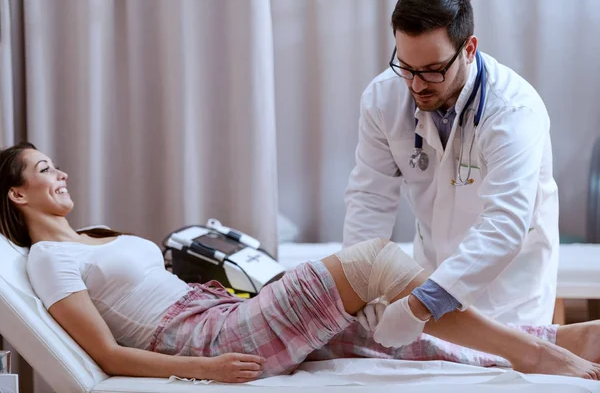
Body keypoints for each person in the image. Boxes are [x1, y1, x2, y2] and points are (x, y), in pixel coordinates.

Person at [1, 142, 599, 384]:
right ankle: (539, 354)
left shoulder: (91, 236)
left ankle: (569, 338)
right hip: (206, 340)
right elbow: (104, 355)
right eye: (45, 169)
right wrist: (204, 374)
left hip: (226, 312)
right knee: (372, 263)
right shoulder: (51, 259)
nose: (61, 173)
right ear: (16, 194)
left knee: (394, 334)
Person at [343, 0, 559, 339]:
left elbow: (505, 222)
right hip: (429, 273)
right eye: (406, 67)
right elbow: (370, 199)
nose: (416, 85)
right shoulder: (383, 100)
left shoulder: (514, 111)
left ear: (469, 49)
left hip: (508, 294)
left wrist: (421, 304)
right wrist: (360, 282)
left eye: (432, 71)